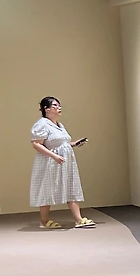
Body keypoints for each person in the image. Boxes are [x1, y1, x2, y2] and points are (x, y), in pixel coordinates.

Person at [30, 96, 94, 228]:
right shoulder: (42, 124)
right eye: (55, 105)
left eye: (59, 105)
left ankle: (78, 219)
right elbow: (37, 144)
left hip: (65, 162)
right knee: (46, 189)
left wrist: (74, 144)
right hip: (49, 163)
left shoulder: (59, 125)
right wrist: (54, 156)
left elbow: (61, 143)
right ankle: (44, 221)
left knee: (71, 186)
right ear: (46, 109)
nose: (58, 108)